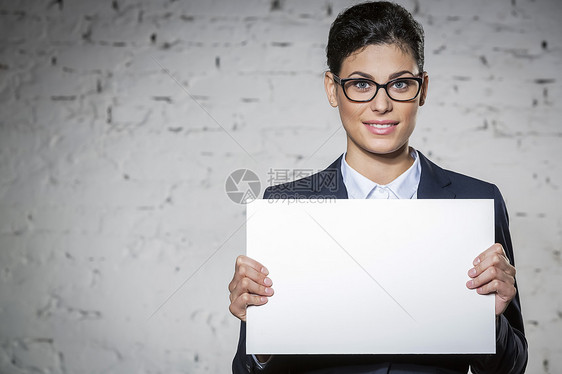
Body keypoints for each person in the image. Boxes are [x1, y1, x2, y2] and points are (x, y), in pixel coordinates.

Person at [228, 1, 528, 373]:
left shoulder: (478, 201)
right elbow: (246, 370)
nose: (382, 104)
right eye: (361, 84)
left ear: (422, 89)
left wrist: (491, 319)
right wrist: (258, 331)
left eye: (400, 83)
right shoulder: (287, 207)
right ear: (333, 89)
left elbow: (513, 367)